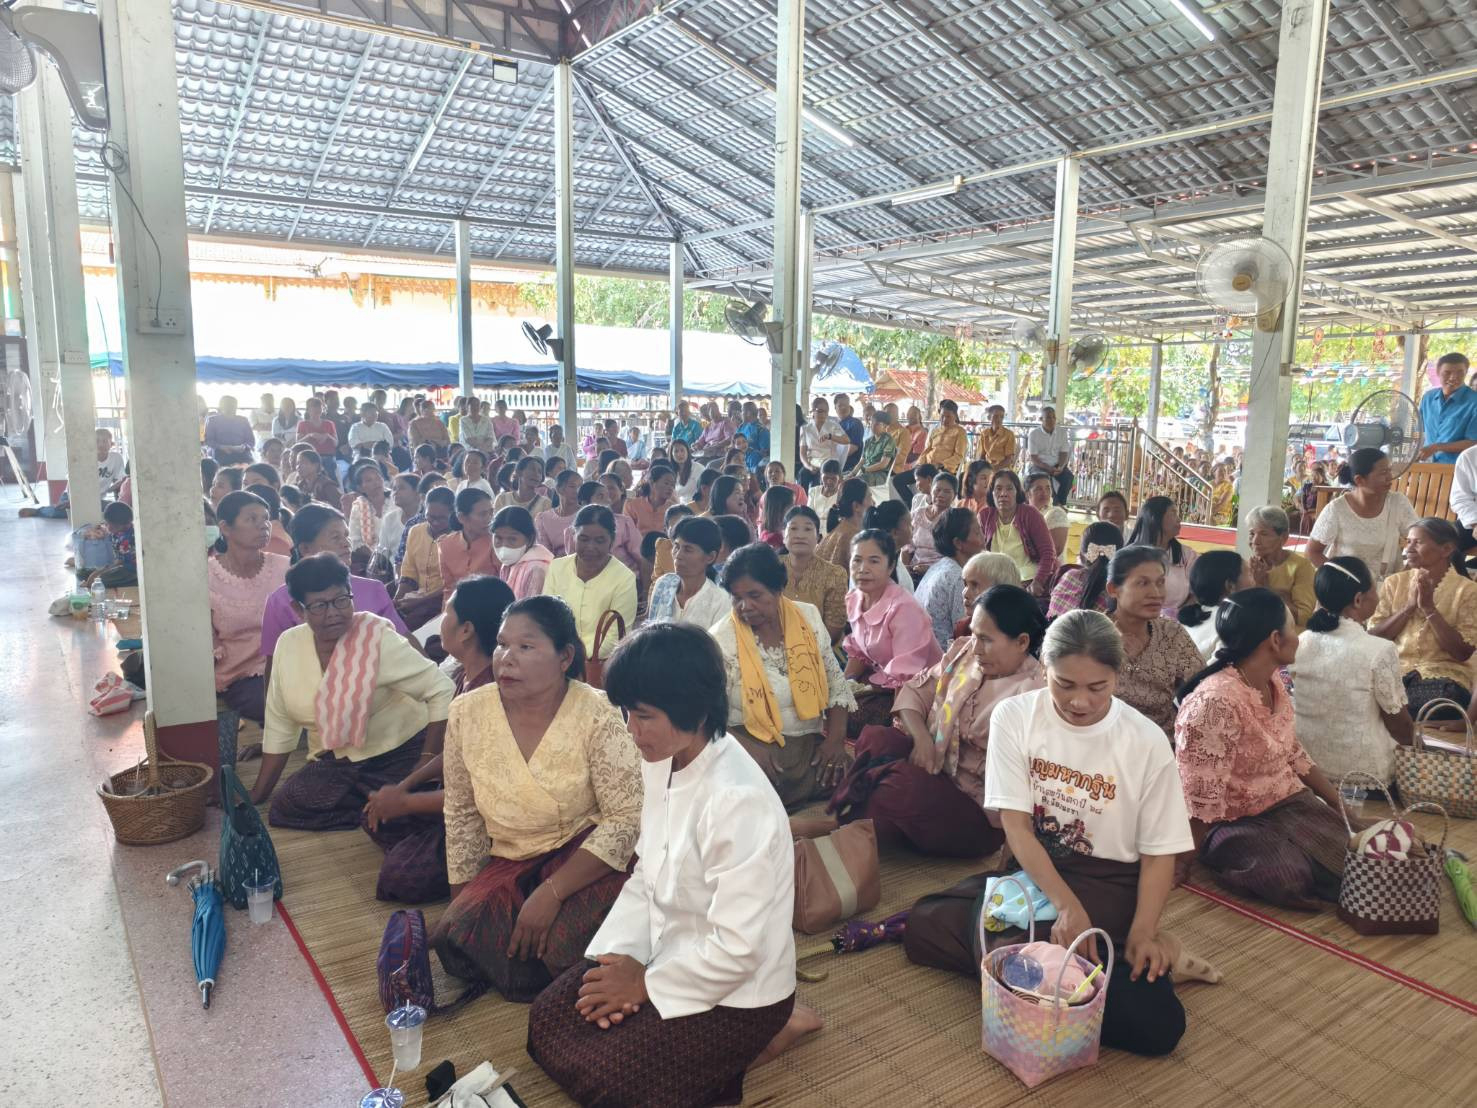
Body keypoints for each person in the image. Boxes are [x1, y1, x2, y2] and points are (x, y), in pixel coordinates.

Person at [529, 620, 817, 1107]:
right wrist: (622, 957)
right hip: (667, 950)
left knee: (612, 1085)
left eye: (643, 715)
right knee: (547, 1024)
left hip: (738, 987)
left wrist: (643, 984)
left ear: (695, 711)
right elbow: (648, 871)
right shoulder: (662, 754)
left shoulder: (735, 800)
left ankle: (774, 1027)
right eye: (625, 712)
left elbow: (738, 948)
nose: (630, 729)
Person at [905, 609, 1196, 1058]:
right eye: (1065, 684)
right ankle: (1047, 947)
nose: (1080, 701)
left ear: (1118, 676)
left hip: (1112, 883)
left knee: (1158, 1028)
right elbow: (1017, 828)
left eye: (1097, 687)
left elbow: (1160, 855)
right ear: (1044, 669)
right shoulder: (1016, 716)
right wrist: (1066, 905)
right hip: (1039, 875)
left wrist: (1144, 931)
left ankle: (1145, 949)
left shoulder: (1145, 741)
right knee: (923, 926)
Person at [430, 595, 642, 999]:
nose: (506, 658)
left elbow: (626, 817)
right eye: (501, 644)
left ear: (564, 658)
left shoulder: (596, 711)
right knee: (457, 945)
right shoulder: (466, 712)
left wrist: (552, 893)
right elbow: (461, 814)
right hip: (512, 858)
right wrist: (464, 907)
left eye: (525, 647)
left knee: (560, 943)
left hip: (586, 853)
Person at [826, 583, 1046, 857]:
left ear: (1022, 642)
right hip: (932, 771)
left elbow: (1026, 785)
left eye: (986, 639)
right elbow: (914, 693)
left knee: (900, 786)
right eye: (974, 635)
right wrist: (922, 740)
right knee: (876, 737)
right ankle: (869, 820)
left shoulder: (1033, 693)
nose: (976, 647)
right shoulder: (964, 653)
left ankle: (837, 822)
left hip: (974, 813)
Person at [1175, 588, 1352, 909]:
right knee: (1288, 875)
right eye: (1292, 627)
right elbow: (1201, 800)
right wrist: (1182, 862)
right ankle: (1225, 859)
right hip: (1228, 822)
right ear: (1274, 639)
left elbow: (1294, 753)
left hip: (1285, 802)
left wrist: (1340, 807)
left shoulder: (1272, 681)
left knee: (1352, 858)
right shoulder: (1214, 703)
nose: (1297, 635)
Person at [250, 554, 455, 821]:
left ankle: (387, 807)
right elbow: (280, 723)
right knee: (287, 804)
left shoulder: (376, 636)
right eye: (319, 605)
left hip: (400, 753)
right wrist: (257, 794)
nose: (333, 613)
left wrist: (427, 757)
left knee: (401, 809)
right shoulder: (288, 645)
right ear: (299, 610)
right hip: (338, 759)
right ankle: (374, 810)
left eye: (341, 600)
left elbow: (442, 688)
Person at [361, 575, 516, 903]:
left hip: (486, 818)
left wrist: (405, 802)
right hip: (455, 799)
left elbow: (480, 795)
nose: (441, 620)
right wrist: (405, 787)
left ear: (466, 630)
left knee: (399, 877)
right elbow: (454, 754)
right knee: (373, 815)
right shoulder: (466, 675)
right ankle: (427, 843)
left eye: (447, 612)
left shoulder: (491, 692)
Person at [711, 543, 855, 809]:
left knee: (857, 783)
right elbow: (708, 717)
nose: (745, 606)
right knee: (745, 801)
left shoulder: (807, 617)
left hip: (808, 749)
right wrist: (747, 749)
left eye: (755, 595)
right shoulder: (721, 640)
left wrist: (835, 741)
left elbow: (835, 684)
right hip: (750, 750)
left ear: (778, 589)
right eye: (736, 597)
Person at [1293, 557, 1413, 787]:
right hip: (1362, 775)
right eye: (1375, 588)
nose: (1377, 595)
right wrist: (1419, 749)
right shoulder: (1379, 650)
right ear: (1358, 600)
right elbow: (1399, 725)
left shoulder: (1301, 641)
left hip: (1306, 769)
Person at [261, 505, 411, 669]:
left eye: (346, 536)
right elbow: (275, 668)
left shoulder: (373, 589)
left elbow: (405, 643)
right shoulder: (281, 602)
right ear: (305, 549)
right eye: (335, 537)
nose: (346, 543)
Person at [1369, 517, 1477, 713]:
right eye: (1408, 541)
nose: (1408, 549)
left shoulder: (1468, 591)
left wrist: (1429, 610)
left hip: (1443, 678)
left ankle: (1392, 712)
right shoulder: (1394, 583)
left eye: (1417, 542)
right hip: (1394, 672)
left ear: (1446, 550)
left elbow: (1462, 652)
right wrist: (1408, 608)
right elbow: (1374, 638)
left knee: (1441, 701)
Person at [206, 491, 290, 731]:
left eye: (265, 519)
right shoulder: (208, 576)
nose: (263, 526)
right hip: (241, 675)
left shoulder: (282, 566)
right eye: (251, 519)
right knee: (274, 703)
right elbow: (206, 636)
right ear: (225, 527)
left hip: (286, 664)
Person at [1106, 545, 1204, 739]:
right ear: (1113, 589)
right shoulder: (1091, 634)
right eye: (1142, 583)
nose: (1156, 593)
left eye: (1160, 583)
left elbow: (1202, 688)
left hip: (1162, 746)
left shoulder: (1171, 633)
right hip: (1104, 745)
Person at [845, 528, 943, 706]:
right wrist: (846, 684)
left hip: (921, 694)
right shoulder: (855, 599)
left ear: (890, 567)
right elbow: (859, 650)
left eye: (873, 561)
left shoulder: (903, 609)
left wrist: (864, 691)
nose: (862, 569)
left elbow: (906, 677)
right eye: (856, 560)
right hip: (884, 684)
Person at [1306, 447, 1418, 582]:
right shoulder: (1336, 509)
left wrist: (1404, 575)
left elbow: (1421, 539)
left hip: (1388, 587)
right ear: (1359, 480)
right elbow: (1312, 552)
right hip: (1347, 592)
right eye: (1383, 472)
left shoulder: (1398, 502)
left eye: (1389, 470)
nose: (1390, 477)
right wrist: (1341, 580)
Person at [543, 505, 639, 659]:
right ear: (573, 536)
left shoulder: (624, 578)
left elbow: (616, 637)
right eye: (583, 539)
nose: (590, 547)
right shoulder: (557, 567)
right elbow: (546, 619)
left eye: (600, 541)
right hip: (556, 658)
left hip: (599, 663)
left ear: (612, 541)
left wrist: (571, 659)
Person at [978, 469, 1057, 596]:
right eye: (998, 489)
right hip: (995, 583)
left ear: (1017, 492)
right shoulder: (984, 516)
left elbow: (1048, 553)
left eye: (1009, 488)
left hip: (1027, 582)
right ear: (991, 493)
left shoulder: (1030, 514)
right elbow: (979, 553)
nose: (1003, 493)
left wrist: (1038, 582)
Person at [915, 507, 985, 649]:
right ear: (958, 543)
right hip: (941, 659)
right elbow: (964, 632)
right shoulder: (958, 578)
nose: (983, 538)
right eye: (977, 532)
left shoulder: (940, 566)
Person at [645, 514, 729, 628]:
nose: (678, 555)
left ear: (710, 557)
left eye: (688, 549)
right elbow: (650, 633)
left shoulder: (720, 601)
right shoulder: (663, 584)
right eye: (676, 546)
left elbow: (716, 645)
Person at [779, 505, 847, 645]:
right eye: (793, 528)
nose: (800, 535)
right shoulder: (770, 568)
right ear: (783, 535)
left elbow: (833, 633)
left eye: (808, 529)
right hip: (774, 649)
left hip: (819, 652)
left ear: (818, 537)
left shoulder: (834, 574)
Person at [395, 486, 456, 630]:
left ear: (453, 514)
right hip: (417, 596)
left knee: (408, 626)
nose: (434, 522)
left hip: (443, 601)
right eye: (430, 516)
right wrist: (398, 598)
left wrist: (420, 601)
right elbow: (409, 572)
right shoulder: (416, 531)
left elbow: (453, 584)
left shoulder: (458, 538)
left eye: (441, 518)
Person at [1245, 506, 1315, 629]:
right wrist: (1283, 596)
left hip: (1288, 640)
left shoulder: (1300, 567)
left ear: (1283, 537)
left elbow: (1303, 617)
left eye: (1264, 534)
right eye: (1252, 533)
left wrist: (1265, 588)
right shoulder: (1250, 567)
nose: (1255, 541)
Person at [1127, 495, 1198, 613]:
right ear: (1155, 517)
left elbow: (1200, 590)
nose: (1179, 519)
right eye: (1173, 513)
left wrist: (1180, 615)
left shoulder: (1187, 555)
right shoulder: (1129, 557)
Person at [1178, 550, 1253, 661]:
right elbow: (1214, 675)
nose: (1255, 580)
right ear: (1230, 586)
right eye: (1250, 574)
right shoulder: (1233, 626)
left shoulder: (1194, 617)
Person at [1048, 522, 1124, 619]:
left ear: (1081, 554)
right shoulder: (1118, 592)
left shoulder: (1069, 575)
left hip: (1050, 632)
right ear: (1120, 555)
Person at [1416, 352, 1477, 463]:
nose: (1453, 377)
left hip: (1458, 469)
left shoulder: (1474, 402)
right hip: (1426, 467)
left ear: (1466, 372)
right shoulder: (1428, 398)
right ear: (1438, 372)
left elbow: (1474, 442)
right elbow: (1419, 432)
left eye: (1460, 373)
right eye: (1447, 372)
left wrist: (1437, 447)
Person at [492, 506, 555, 599]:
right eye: (498, 538)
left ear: (529, 540)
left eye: (512, 539)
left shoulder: (537, 569)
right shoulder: (508, 564)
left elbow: (532, 610)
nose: (504, 545)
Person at [909, 471, 957, 573]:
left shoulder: (954, 519)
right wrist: (906, 572)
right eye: (937, 490)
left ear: (954, 495)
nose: (941, 494)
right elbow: (906, 548)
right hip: (913, 569)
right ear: (931, 491)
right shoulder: (918, 513)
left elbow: (955, 557)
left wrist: (930, 570)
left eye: (947, 491)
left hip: (940, 572)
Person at [817, 476, 870, 566]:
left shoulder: (838, 529)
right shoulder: (855, 537)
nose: (873, 502)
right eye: (869, 497)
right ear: (856, 506)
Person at [1027, 405, 1073, 506]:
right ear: (1041, 419)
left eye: (1053, 417)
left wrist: (1060, 467)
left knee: (1068, 477)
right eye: (1048, 417)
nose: (1051, 420)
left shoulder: (1062, 432)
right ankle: (1056, 505)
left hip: (1057, 465)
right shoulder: (1034, 434)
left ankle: (1061, 503)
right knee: (1046, 479)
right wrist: (1048, 468)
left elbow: (1064, 452)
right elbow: (1034, 458)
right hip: (1039, 466)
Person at [798, 397, 849, 488]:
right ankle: (803, 501)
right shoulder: (805, 429)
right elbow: (802, 453)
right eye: (820, 411)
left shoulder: (832, 425)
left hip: (829, 463)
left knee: (819, 481)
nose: (823, 414)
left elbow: (846, 440)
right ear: (813, 411)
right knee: (802, 475)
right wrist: (808, 466)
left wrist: (830, 436)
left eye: (826, 411)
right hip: (812, 463)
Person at [536, 469, 582, 557]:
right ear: (558, 489)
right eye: (572, 486)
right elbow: (545, 553)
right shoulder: (544, 518)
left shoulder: (587, 514)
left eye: (580, 487)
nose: (577, 491)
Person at [1026, 471, 1071, 557]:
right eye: (1039, 489)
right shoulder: (1024, 515)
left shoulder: (1056, 513)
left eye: (1048, 488)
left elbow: (1055, 550)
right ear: (1028, 494)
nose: (1044, 493)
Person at [624, 463, 677, 536]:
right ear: (652, 483)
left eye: (672, 485)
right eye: (666, 483)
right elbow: (627, 533)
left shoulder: (673, 509)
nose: (670, 488)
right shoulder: (633, 505)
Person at [854, 408, 897, 492]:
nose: (872, 426)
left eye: (877, 424)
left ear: (885, 426)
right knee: (841, 476)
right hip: (865, 472)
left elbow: (882, 464)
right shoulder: (868, 441)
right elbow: (862, 461)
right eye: (872, 422)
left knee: (855, 482)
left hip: (879, 475)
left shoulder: (889, 440)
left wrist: (864, 470)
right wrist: (852, 473)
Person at [204, 395, 256, 462]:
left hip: (242, 453)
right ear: (221, 406)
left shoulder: (243, 420)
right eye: (227, 405)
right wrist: (222, 447)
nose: (231, 407)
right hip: (220, 453)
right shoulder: (212, 420)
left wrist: (244, 447)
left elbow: (251, 441)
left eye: (233, 405)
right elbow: (209, 440)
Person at [974, 403, 1017, 468]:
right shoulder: (984, 433)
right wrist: (981, 468)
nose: (999, 419)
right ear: (989, 417)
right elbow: (981, 455)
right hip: (988, 468)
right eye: (996, 416)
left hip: (1003, 469)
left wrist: (995, 469)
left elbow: (1009, 459)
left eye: (1001, 417)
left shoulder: (1009, 434)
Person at [756, 484, 794, 548]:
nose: (794, 508)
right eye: (791, 505)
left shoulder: (775, 533)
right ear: (779, 509)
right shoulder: (774, 540)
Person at [807, 459, 842, 527]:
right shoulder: (813, 491)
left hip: (833, 530)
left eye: (833, 478)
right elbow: (808, 514)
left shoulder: (842, 494)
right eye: (826, 478)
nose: (829, 481)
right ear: (821, 476)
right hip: (814, 528)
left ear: (839, 478)